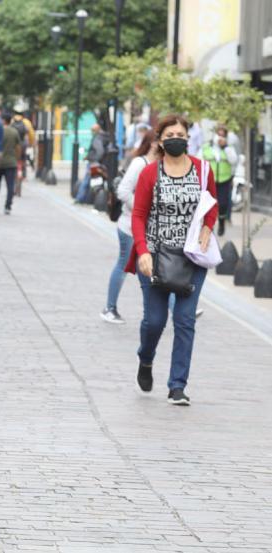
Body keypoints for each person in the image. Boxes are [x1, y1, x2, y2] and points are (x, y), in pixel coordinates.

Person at [125, 114, 217, 406]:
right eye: (171, 134)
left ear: (188, 139)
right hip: (154, 256)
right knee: (155, 321)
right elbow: (138, 215)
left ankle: (178, 385)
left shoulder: (203, 171)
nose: (177, 137)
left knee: (185, 320)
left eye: (182, 133)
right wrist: (142, 251)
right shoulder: (150, 173)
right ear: (161, 140)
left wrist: (206, 228)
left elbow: (212, 205)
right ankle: (146, 357)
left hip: (191, 257)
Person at [102, 130, 159, 324]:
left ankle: (179, 308)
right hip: (129, 226)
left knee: (156, 269)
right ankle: (109, 308)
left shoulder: (163, 166)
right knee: (124, 265)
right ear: (153, 143)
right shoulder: (140, 163)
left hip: (149, 228)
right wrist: (143, 209)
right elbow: (123, 191)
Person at [199, 126, 237, 236]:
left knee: (223, 204)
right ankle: (208, 226)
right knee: (209, 204)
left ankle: (221, 222)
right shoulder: (206, 147)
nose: (220, 137)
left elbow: (233, 160)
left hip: (224, 180)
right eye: (218, 134)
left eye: (223, 135)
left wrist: (225, 147)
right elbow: (199, 160)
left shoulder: (229, 148)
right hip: (209, 180)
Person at [0, 112, 21, 215]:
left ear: (3, 120)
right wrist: (16, 158)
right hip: (11, 163)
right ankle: (8, 206)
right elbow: (18, 147)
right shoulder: (14, 132)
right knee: (10, 186)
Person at [76, 123, 107, 204]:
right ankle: (88, 199)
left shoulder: (97, 138)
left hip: (94, 163)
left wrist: (93, 158)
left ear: (97, 129)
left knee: (87, 181)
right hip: (98, 162)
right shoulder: (103, 137)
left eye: (93, 130)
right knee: (94, 181)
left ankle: (80, 199)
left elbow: (100, 151)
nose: (91, 132)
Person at [11, 111, 35, 189]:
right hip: (23, 144)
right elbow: (31, 133)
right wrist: (31, 143)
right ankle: (23, 175)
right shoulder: (26, 122)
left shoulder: (12, 121)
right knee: (23, 159)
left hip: (14, 145)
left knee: (14, 160)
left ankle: (13, 175)